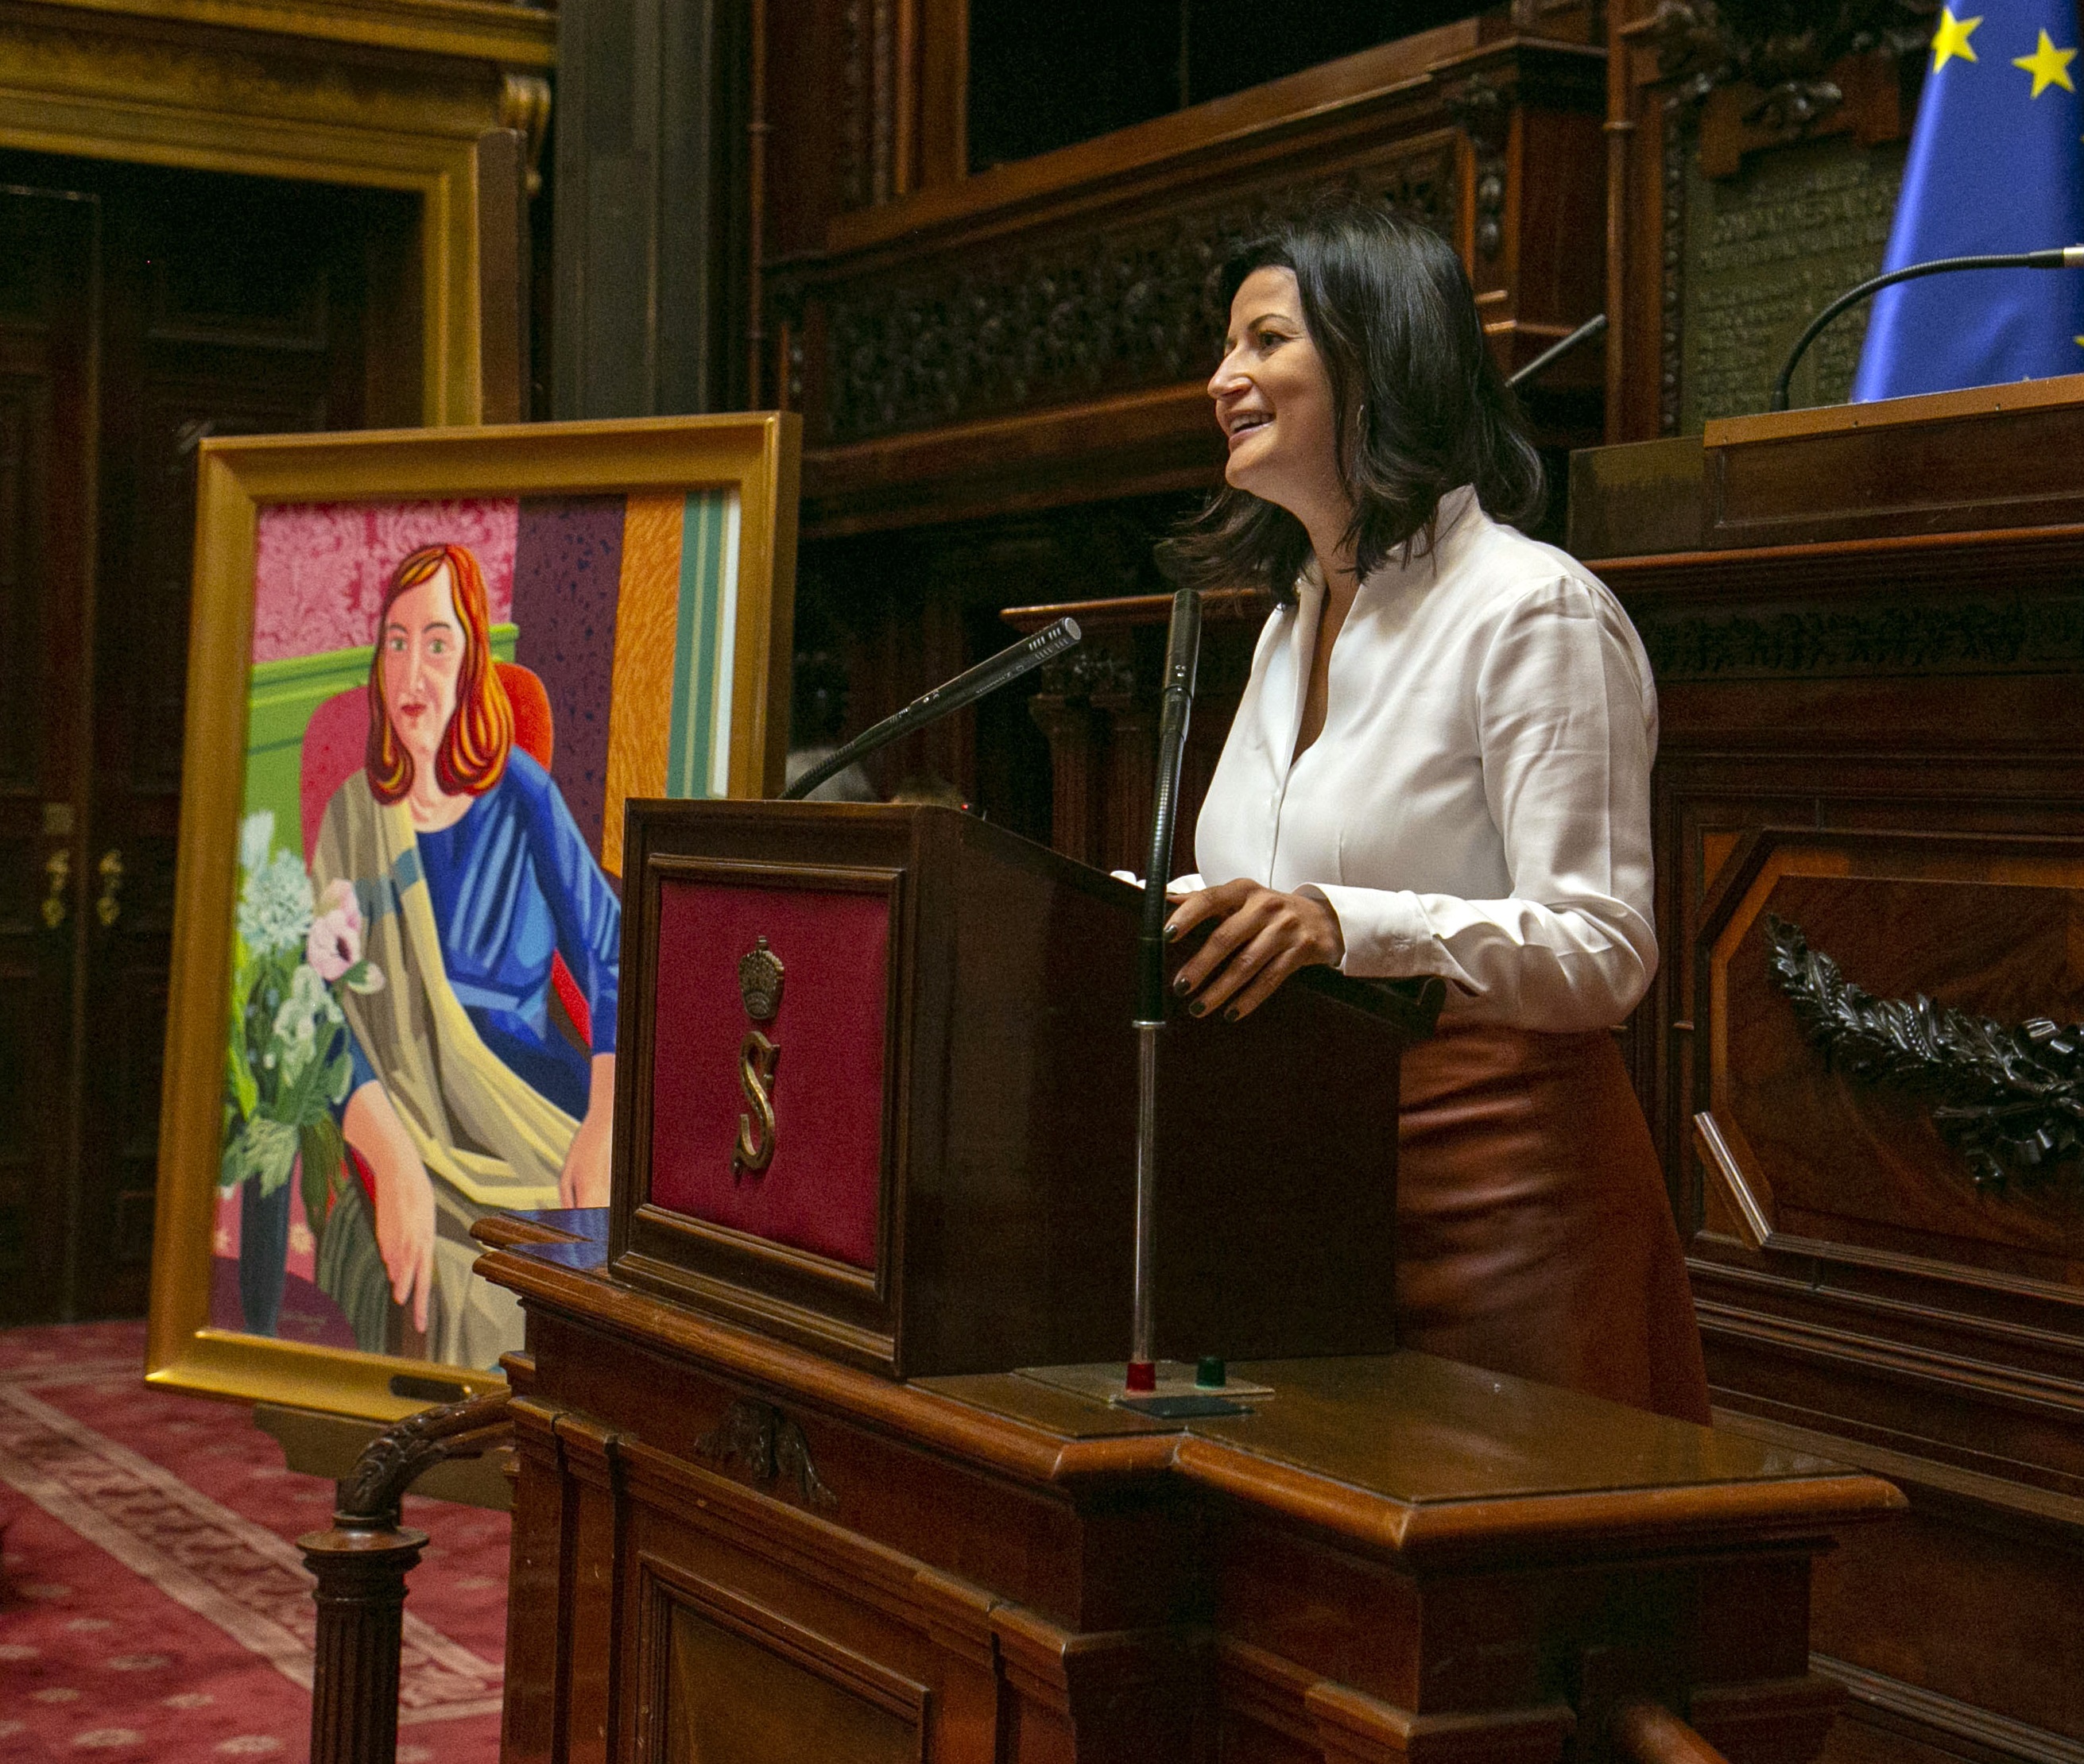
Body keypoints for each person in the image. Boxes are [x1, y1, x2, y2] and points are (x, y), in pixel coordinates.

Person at [1159, 204, 1710, 1424]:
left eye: (1260, 342)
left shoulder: (1532, 613)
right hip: (1305, 1200)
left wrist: (1341, 925)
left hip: (1507, 1209)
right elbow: (1265, 893)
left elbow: (1603, 951)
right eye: (1225, 349)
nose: (1221, 378)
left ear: (1374, 355)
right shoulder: (1283, 620)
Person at [311, 543, 621, 1367]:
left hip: (533, 1105)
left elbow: (613, 950)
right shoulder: (353, 817)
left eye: (438, 642)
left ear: (473, 657)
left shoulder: (520, 794)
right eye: (396, 642)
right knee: (448, 1273)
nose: (413, 674)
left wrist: (604, 1114)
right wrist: (390, 1153)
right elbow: (315, 1010)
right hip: (408, 1120)